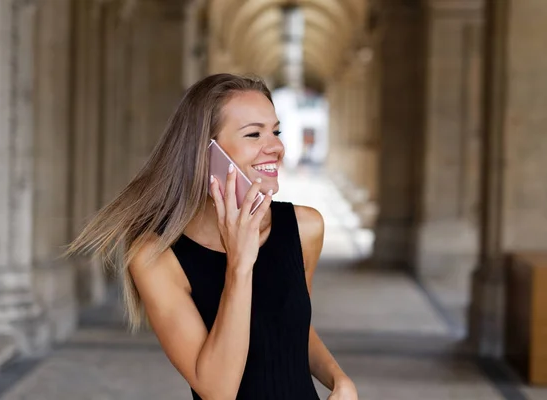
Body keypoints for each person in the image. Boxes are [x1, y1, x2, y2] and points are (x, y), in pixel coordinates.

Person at [67, 74, 358, 400]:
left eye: (275, 131)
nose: (276, 147)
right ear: (206, 153)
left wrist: (339, 379)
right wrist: (239, 264)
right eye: (254, 134)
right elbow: (218, 390)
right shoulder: (156, 256)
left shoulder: (305, 228)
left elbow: (293, 326)